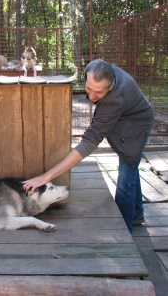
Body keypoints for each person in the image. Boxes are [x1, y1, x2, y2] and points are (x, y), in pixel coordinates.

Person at [23, 59, 154, 234]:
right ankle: (136, 215)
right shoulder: (94, 66)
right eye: (89, 89)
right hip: (124, 117)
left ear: (111, 86)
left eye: (98, 93)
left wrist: (45, 177)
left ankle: (124, 230)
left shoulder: (115, 99)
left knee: (126, 175)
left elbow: (90, 141)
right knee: (131, 166)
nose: (91, 97)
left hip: (136, 125)